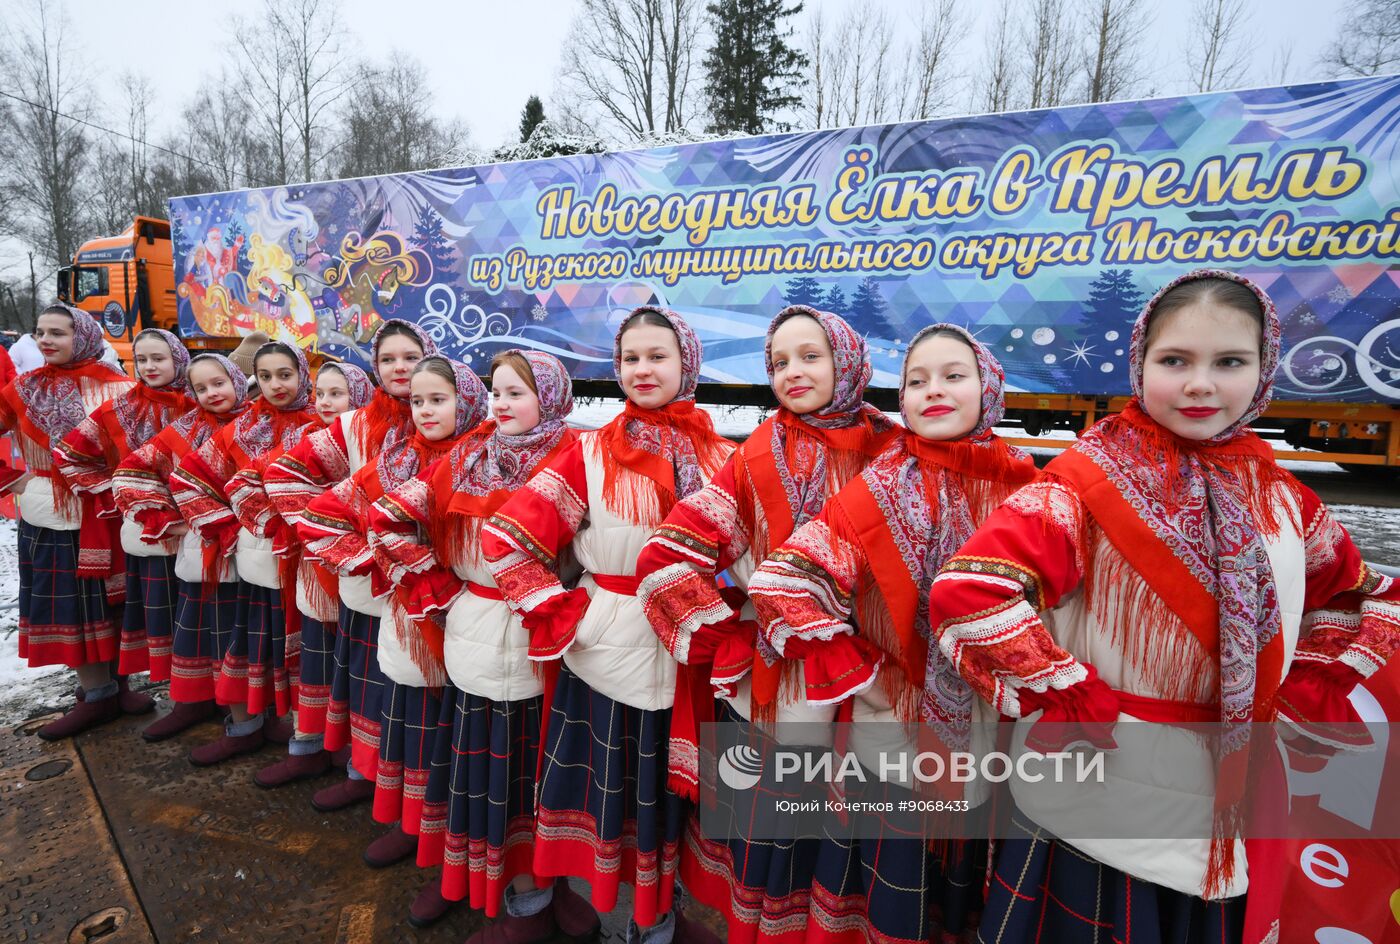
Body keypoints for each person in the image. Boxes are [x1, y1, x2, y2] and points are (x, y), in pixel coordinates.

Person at [928, 269, 1400, 941]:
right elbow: (970, 591)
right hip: (1101, 783)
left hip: (1233, 795)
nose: (1200, 384)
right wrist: (1066, 689)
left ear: (1264, 372)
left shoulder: (1285, 497)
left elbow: (1353, 596)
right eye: (1174, 360)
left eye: (1229, 362)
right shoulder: (1082, 484)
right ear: (1139, 364)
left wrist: (1304, 690)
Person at [746, 324, 1037, 944]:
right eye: (916, 380)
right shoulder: (880, 484)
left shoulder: (1028, 485)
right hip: (894, 724)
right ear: (899, 398)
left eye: (954, 376)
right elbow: (782, 582)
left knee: (960, 873)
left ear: (991, 388)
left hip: (991, 724)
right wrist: (855, 662)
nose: (934, 391)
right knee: (890, 875)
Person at [635, 305, 898, 944]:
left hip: (878, 673)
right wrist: (725, 633)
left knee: (860, 825)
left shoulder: (896, 450)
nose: (792, 373)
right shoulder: (755, 455)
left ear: (849, 361)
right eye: (779, 362)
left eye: (811, 356)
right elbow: (667, 552)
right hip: (783, 678)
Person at [482, 307, 733, 944]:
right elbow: (509, 538)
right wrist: (561, 613)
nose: (642, 370)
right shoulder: (589, 452)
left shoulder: (727, 457)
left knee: (669, 807)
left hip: (691, 657)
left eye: (658, 356)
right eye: (630, 359)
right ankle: (598, 914)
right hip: (605, 653)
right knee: (605, 800)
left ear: (689, 364)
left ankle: (656, 924)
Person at [369, 350, 591, 931]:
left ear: (551, 395)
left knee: (550, 774)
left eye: (518, 392)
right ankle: (503, 890)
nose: (502, 403)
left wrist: (562, 600)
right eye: (497, 392)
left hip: (552, 641)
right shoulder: (471, 456)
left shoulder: (578, 456)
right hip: (475, 637)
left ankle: (551, 886)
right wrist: (435, 584)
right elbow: (387, 514)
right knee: (491, 775)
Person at [297, 356, 487, 870]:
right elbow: (323, 516)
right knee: (419, 727)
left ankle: (461, 844)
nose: (425, 410)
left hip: (479, 623)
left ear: (467, 400)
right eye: (419, 400)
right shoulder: (397, 459)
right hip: (412, 620)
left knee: (468, 739)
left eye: (439, 399)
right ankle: (416, 829)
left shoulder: (489, 457)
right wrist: (389, 567)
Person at [264, 320, 438, 812]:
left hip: (433, 589)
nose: (400, 367)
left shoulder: (459, 412)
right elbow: (284, 474)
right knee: (371, 685)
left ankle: (418, 801)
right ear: (375, 367)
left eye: (410, 356)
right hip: (374, 586)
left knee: (423, 701)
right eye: (387, 359)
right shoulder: (355, 423)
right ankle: (367, 773)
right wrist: (353, 549)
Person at [167, 341, 316, 765]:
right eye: (265, 376)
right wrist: (230, 526)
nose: (275, 385)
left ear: (303, 373)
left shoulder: (324, 424)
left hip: (305, 564)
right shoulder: (247, 424)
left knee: (301, 651)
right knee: (251, 645)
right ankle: (245, 726)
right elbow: (189, 478)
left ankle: (300, 737)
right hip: (254, 560)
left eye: (285, 374)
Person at [0, 304, 136, 739]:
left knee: (113, 604)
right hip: (49, 517)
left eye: (57, 332)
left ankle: (120, 686)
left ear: (83, 336)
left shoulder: (120, 389)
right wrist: (12, 479)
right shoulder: (21, 390)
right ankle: (94, 694)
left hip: (109, 514)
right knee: (72, 610)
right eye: (40, 332)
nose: (45, 340)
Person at [238, 361, 374, 788]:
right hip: (316, 572)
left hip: (364, 574)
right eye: (322, 393)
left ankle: (356, 759)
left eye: (340, 393)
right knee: (315, 660)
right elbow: (252, 480)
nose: (328, 402)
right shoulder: (306, 439)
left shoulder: (374, 437)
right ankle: (309, 746)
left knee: (357, 667)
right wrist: (290, 523)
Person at [114, 354, 252, 742]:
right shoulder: (186, 428)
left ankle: (249, 717)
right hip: (205, 549)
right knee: (206, 630)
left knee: (246, 636)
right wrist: (166, 517)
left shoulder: (261, 422)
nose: (212, 393)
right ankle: (196, 702)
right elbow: (131, 471)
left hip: (258, 551)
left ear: (237, 380)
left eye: (219, 383)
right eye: (201, 388)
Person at [54, 329, 194, 699]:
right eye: (141, 359)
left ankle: (208, 699)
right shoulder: (118, 408)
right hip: (150, 530)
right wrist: (117, 492)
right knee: (168, 611)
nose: (149, 366)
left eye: (158, 358)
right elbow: (70, 453)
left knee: (203, 615)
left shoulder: (200, 402)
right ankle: (185, 695)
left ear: (178, 359)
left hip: (198, 528)